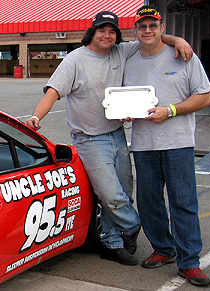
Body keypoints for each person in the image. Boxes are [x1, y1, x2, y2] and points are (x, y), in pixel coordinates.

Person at [26, 10, 193, 266]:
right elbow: (53, 91)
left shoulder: (120, 51)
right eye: (101, 30)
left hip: (117, 135)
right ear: (91, 32)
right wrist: (37, 116)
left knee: (124, 193)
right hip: (90, 139)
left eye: (112, 31)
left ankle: (112, 242)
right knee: (112, 196)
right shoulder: (74, 60)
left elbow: (151, 38)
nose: (107, 35)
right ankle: (135, 224)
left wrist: (177, 40)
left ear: (117, 35)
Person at [123, 5, 210, 286]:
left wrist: (170, 111)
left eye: (153, 26)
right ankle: (164, 249)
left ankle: (189, 263)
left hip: (178, 143)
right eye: (142, 26)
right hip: (143, 145)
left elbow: (205, 97)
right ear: (135, 30)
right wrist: (124, 109)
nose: (147, 31)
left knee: (183, 202)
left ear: (163, 28)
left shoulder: (183, 56)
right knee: (149, 203)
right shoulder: (129, 58)